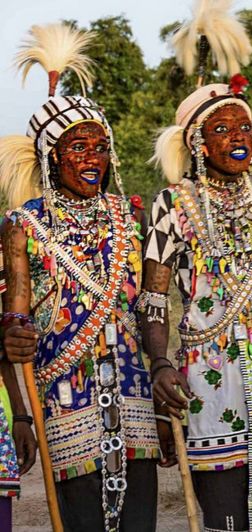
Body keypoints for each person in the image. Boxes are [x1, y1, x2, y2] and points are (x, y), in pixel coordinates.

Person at [140, 3, 252, 530]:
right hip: (209, 373)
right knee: (227, 513)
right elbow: (154, 296)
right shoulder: (174, 203)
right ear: (198, 144)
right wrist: (161, 364)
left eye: (244, 128)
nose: (238, 137)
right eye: (223, 129)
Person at [0, 23, 161, 531]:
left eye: (101, 147)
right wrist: (22, 413)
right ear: (51, 156)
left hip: (134, 395)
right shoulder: (23, 226)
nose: (93, 159)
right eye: (78, 148)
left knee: (139, 520)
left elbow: (151, 310)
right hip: (63, 398)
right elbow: (13, 320)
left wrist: (161, 380)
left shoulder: (130, 217)